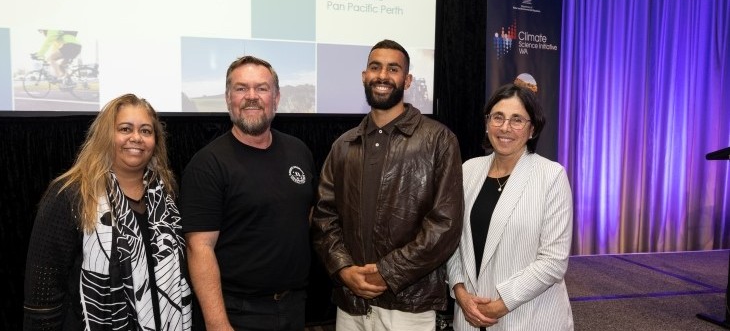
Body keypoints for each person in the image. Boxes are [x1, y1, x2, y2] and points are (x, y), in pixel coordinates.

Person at [311, 39, 464, 330]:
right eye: (375, 67)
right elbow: (323, 217)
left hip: (409, 304)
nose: (383, 76)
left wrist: (387, 273)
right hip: (351, 302)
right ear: (364, 76)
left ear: (406, 80)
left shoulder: (439, 140)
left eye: (393, 69)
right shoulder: (343, 145)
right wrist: (344, 269)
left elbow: (445, 225)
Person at [23, 94, 192, 331]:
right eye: (125, 129)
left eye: (146, 131)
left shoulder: (166, 193)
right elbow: (42, 294)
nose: (136, 138)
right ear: (105, 136)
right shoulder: (70, 194)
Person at [178, 56, 317, 331]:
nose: (251, 97)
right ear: (228, 98)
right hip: (238, 313)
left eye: (261, 88)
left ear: (276, 98)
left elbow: (306, 217)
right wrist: (218, 323)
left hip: (294, 307)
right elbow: (199, 248)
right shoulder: (208, 164)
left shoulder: (299, 151)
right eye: (241, 88)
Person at [446, 83, 574, 330]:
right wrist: (459, 291)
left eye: (517, 120)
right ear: (487, 123)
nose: (505, 127)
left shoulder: (551, 176)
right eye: (498, 117)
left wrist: (499, 305)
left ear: (532, 129)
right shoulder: (468, 170)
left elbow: (553, 261)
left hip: (527, 316)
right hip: (469, 314)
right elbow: (453, 242)